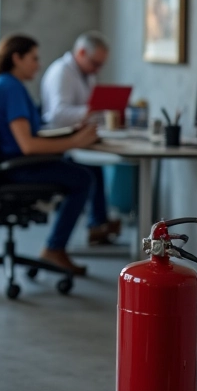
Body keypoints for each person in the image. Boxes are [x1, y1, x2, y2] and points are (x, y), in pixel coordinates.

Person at [0, 34, 99, 276]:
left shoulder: (4, 84)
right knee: (83, 178)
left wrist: (69, 135)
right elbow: (27, 145)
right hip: (18, 168)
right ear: (17, 58)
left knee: (80, 169)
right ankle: (54, 249)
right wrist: (74, 141)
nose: (39, 65)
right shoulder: (12, 89)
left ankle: (66, 241)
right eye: (34, 58)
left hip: (9, 165)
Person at [40, 31, 121, 245]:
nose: (97, 70)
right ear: (82, 53)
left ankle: (98, 224)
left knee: (95, 169)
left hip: (77, 137)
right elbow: (57, 114)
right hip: (59, 141)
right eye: (95, 63)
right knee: (85, 176)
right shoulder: (61, 72)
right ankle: (57, 244)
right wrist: (91, 111)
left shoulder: (86, 74)